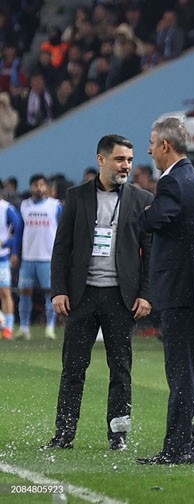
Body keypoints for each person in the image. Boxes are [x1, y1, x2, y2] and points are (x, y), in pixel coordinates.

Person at [41, 134, 153, 451]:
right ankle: (64, 434)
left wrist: (146, 294)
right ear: (101, 160)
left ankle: (118, 435)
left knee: (121, 370)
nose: (126, 166)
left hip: (121, 298)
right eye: (119, 159)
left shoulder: (142, 199)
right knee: (73, 369)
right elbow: (61, 248)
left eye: (129, 160)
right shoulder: (76, 197)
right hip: (82, 296)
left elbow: (150, 252)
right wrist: (58, 290)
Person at [137, 117, 194, 465]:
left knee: (180, 371)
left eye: (152, 143)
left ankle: (176, 447)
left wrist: (147, 213)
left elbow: (151, 221)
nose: (149, 150)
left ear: (165, 145)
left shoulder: (172, 182)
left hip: (181, 290)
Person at [16, 174, 62, 340]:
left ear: (47, 187)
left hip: (48, 257)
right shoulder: (24, 206)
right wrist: (16, 253)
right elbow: (19, 231)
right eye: (36, 185)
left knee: (50, 293)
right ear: (31, 187)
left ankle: (50, 328)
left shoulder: (55, 206)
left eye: (42, 185)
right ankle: (24, 328)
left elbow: (62, 231)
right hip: (28, 257)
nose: (39, 188)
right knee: (25, 292)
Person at [0, 183, 21, 339]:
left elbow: (19, 230)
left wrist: (9, 246)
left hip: (2, 258)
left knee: (5, 292)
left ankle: (8, 327)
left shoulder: (6, 209)